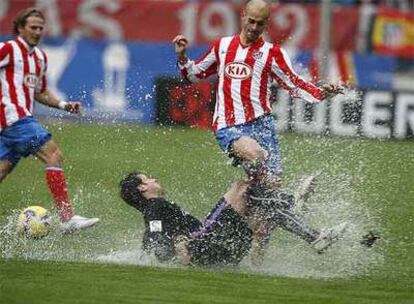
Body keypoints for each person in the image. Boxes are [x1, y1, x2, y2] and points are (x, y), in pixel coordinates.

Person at [173, 0, 344, 259]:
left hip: (263, 127)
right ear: (243, 17)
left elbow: (293, 83)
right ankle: (294, 207)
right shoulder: (223, 46)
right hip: (229, 126)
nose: (253, 27)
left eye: (260, 23)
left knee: (265, 203)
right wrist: (183, 57)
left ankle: (264, 256)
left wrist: (321, 93)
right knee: (256, 157)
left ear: (267, 24)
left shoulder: (272, 53)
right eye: (250, 21)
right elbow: (194, 75)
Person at [0, 8, 99, 233]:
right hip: (15, 119)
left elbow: (40, 92)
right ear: (20, 28)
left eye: (40, 28)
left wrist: (64, 105)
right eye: (32, 27)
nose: (37, 32)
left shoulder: (40, 58)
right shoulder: (7, 49)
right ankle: (67, 218)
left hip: (13, 125)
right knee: (53, 154)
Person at [119, 171, 347, 267]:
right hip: (204, 246)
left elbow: (152, 238)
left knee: (262, 211)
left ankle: (313, 236)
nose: (154, 178)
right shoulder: (154, 207)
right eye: (148, 178)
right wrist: (178, 245)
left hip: (218, 248)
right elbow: (155, 237)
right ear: (142, 188)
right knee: (241, 187)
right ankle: (291, 204)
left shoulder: (154, 208)